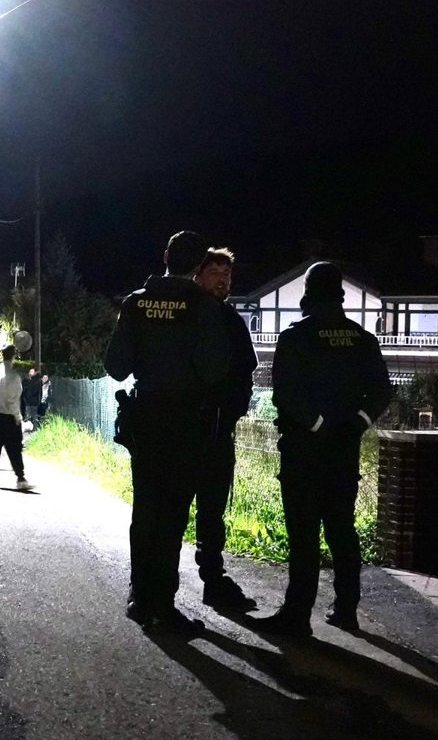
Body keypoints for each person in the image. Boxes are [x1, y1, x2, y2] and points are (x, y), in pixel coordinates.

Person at [255, 262, 392, 637]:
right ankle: (346, 610)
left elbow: (284, 395)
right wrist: (357, 423)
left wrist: (317, 424)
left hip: (304, 450)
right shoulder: (362, 338)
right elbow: (382, 390)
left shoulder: (296, 336)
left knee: (304, 535)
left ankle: (297, 615)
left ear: (308, 292)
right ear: (340, 294)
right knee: (342, 530)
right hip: (344, 451)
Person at [105, 230, 229, 636]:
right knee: (173, 513)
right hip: (186, 422)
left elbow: (116, 367)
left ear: (165, 257)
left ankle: (139, 597)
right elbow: (215, 371)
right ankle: (163, 604)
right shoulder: (205, 308)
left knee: (145, 509)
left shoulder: (136, 303)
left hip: (145, 419)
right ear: (198, 266)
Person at [192, 248, 259, 611]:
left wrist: (233, 411)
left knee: (212, 511)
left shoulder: (232, 320)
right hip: (186, 431)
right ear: (198, 275)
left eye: (227, 274)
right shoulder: (187, 314)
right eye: (215, 272)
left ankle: (213, 580)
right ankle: (156, 584)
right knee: (173, 509)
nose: (222, 280)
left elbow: (247, 370)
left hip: (219, 431)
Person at [0, 344, 32, 490]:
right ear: (15, 355)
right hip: (9, 415)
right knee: (14, 448)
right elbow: (12, 400)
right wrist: (18, 417)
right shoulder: (13, 375)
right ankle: (20, 477)